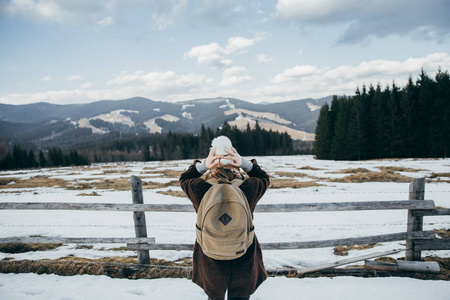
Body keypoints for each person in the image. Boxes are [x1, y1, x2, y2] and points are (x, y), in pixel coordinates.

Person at [179, 136, 270, 300]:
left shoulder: (199, 188)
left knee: (214, 296)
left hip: (211, 259)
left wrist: (203, 165)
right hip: (244, 257)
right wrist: (244, 163)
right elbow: (264, 178)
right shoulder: (249, 187)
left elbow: (184, 179)